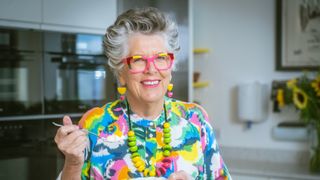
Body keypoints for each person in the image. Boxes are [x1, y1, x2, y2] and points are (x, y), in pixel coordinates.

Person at [54, 7, 232, 180]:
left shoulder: (195, 120)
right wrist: (73, 164)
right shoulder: (95, 124)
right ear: (120, 73)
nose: (151, 70)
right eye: (138, 60)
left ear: (171, 67)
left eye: (161, 58)